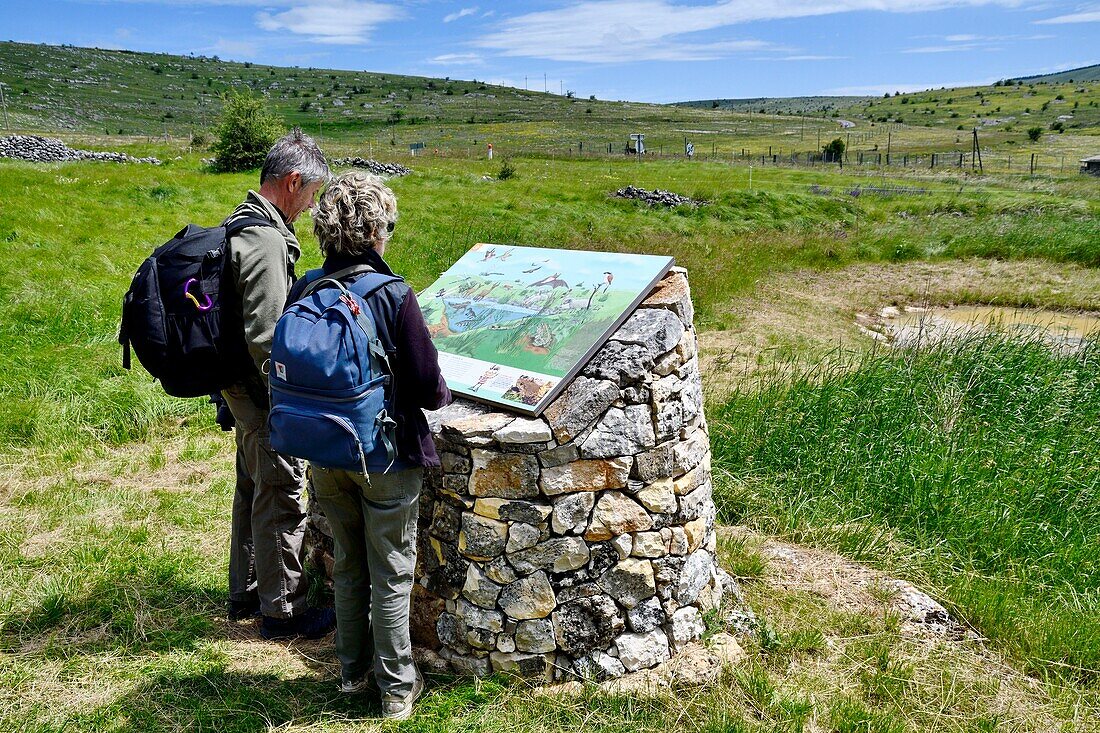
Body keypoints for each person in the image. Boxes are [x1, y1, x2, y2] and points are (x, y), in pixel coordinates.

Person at [288, 170, 451, 720]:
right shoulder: (392, 294)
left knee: (349, 564)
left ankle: (351, 674)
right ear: (378, 229)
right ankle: (397, 688)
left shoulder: (307, 287)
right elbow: (427, 384)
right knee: (393, 570)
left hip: (325, 452)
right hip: (382, 455)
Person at [221, 129, 336, 640]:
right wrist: (291, 403)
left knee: (253, 485)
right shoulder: (266, 241)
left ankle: (245, 591)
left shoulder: (240, 223)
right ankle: (282, 611)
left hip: (236, 384)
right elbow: (267, 336)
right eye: (311, 193)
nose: (312, 206)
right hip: (260, 390)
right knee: (280, 490)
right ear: (292, 182)